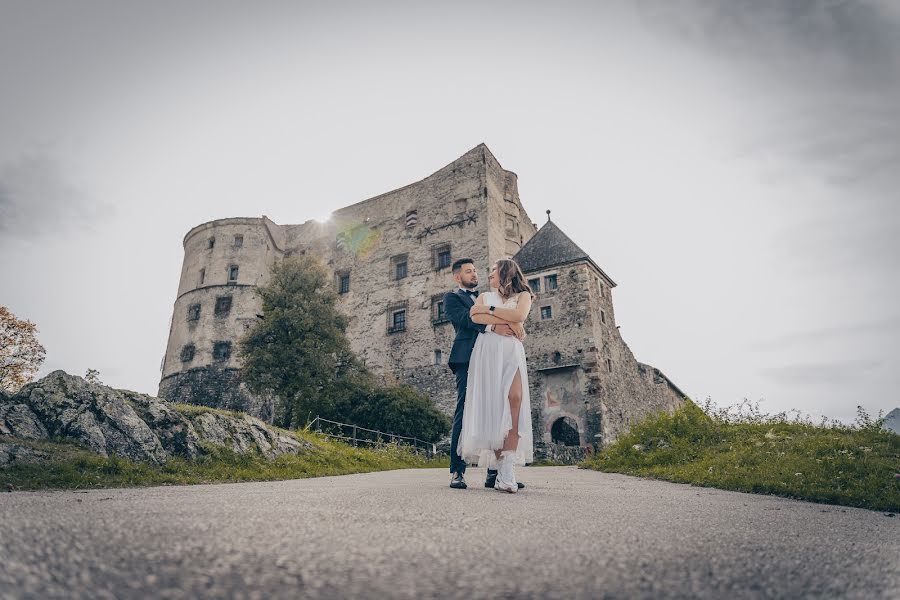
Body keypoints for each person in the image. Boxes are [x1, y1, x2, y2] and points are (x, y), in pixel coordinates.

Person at [443, 258, 525, 490]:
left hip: (493, 357)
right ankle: (457, 471)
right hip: (467, 357)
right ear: (457, 276)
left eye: (475, 270)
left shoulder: (487, 297)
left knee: (498, 410)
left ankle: (496, 472)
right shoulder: (452, 298)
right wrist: (493, 326)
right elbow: (464, 318)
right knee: (465, 408)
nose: (474, 274)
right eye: (469, 271)